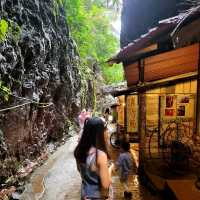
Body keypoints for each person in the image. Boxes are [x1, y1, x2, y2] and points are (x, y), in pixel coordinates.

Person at [74, 117, 114, 200]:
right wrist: (110, 168)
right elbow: (106, 184)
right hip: (97, 196)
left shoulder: (79, 151)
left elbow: (80, 170)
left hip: (85, 194)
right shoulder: (100, 155)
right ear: (99, 133)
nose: (106, 132)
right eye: (104, 129)